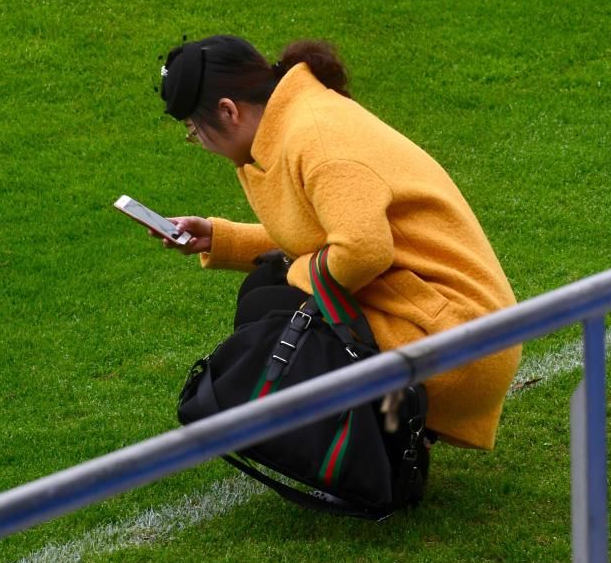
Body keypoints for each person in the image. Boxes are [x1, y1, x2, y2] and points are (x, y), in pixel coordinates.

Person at [157, 35, 520, 451]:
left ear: (228, 111)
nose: (199, 144)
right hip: (460, 324)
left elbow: (363, 250)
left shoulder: (315, 138)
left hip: (459, 346)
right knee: (271, 294)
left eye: (193, 131)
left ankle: (366, 453)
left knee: (272, 305)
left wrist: (294, 272)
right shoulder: (301, 116)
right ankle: (379, 441)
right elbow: (322, 234)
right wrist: (221, 238)